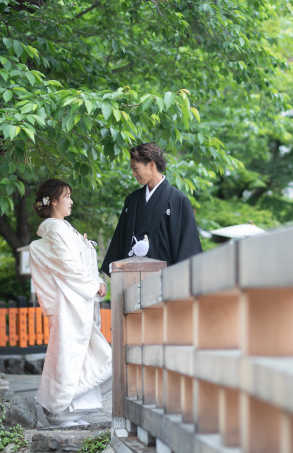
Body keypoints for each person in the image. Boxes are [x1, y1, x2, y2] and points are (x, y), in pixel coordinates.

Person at [29, 179, 112, 427]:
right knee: (71, 355)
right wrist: (93, 285)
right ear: (53, 200)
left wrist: (97, 281)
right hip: (69, 303)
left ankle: (67, 409)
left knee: (79, 356)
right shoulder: (56, 229)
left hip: (76, 301)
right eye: (67, 196)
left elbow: (77, 266)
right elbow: (68, 267)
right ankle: (58, 409)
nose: (71, 201)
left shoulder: (64, 228)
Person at [101, 142, 202, 276]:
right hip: (132, 277)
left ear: (151, 164)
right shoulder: (132, 200)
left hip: (164, 281)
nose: (133, 174)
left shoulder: (178, 200)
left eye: (135, 169)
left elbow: (188, 248)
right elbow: (120, 242)